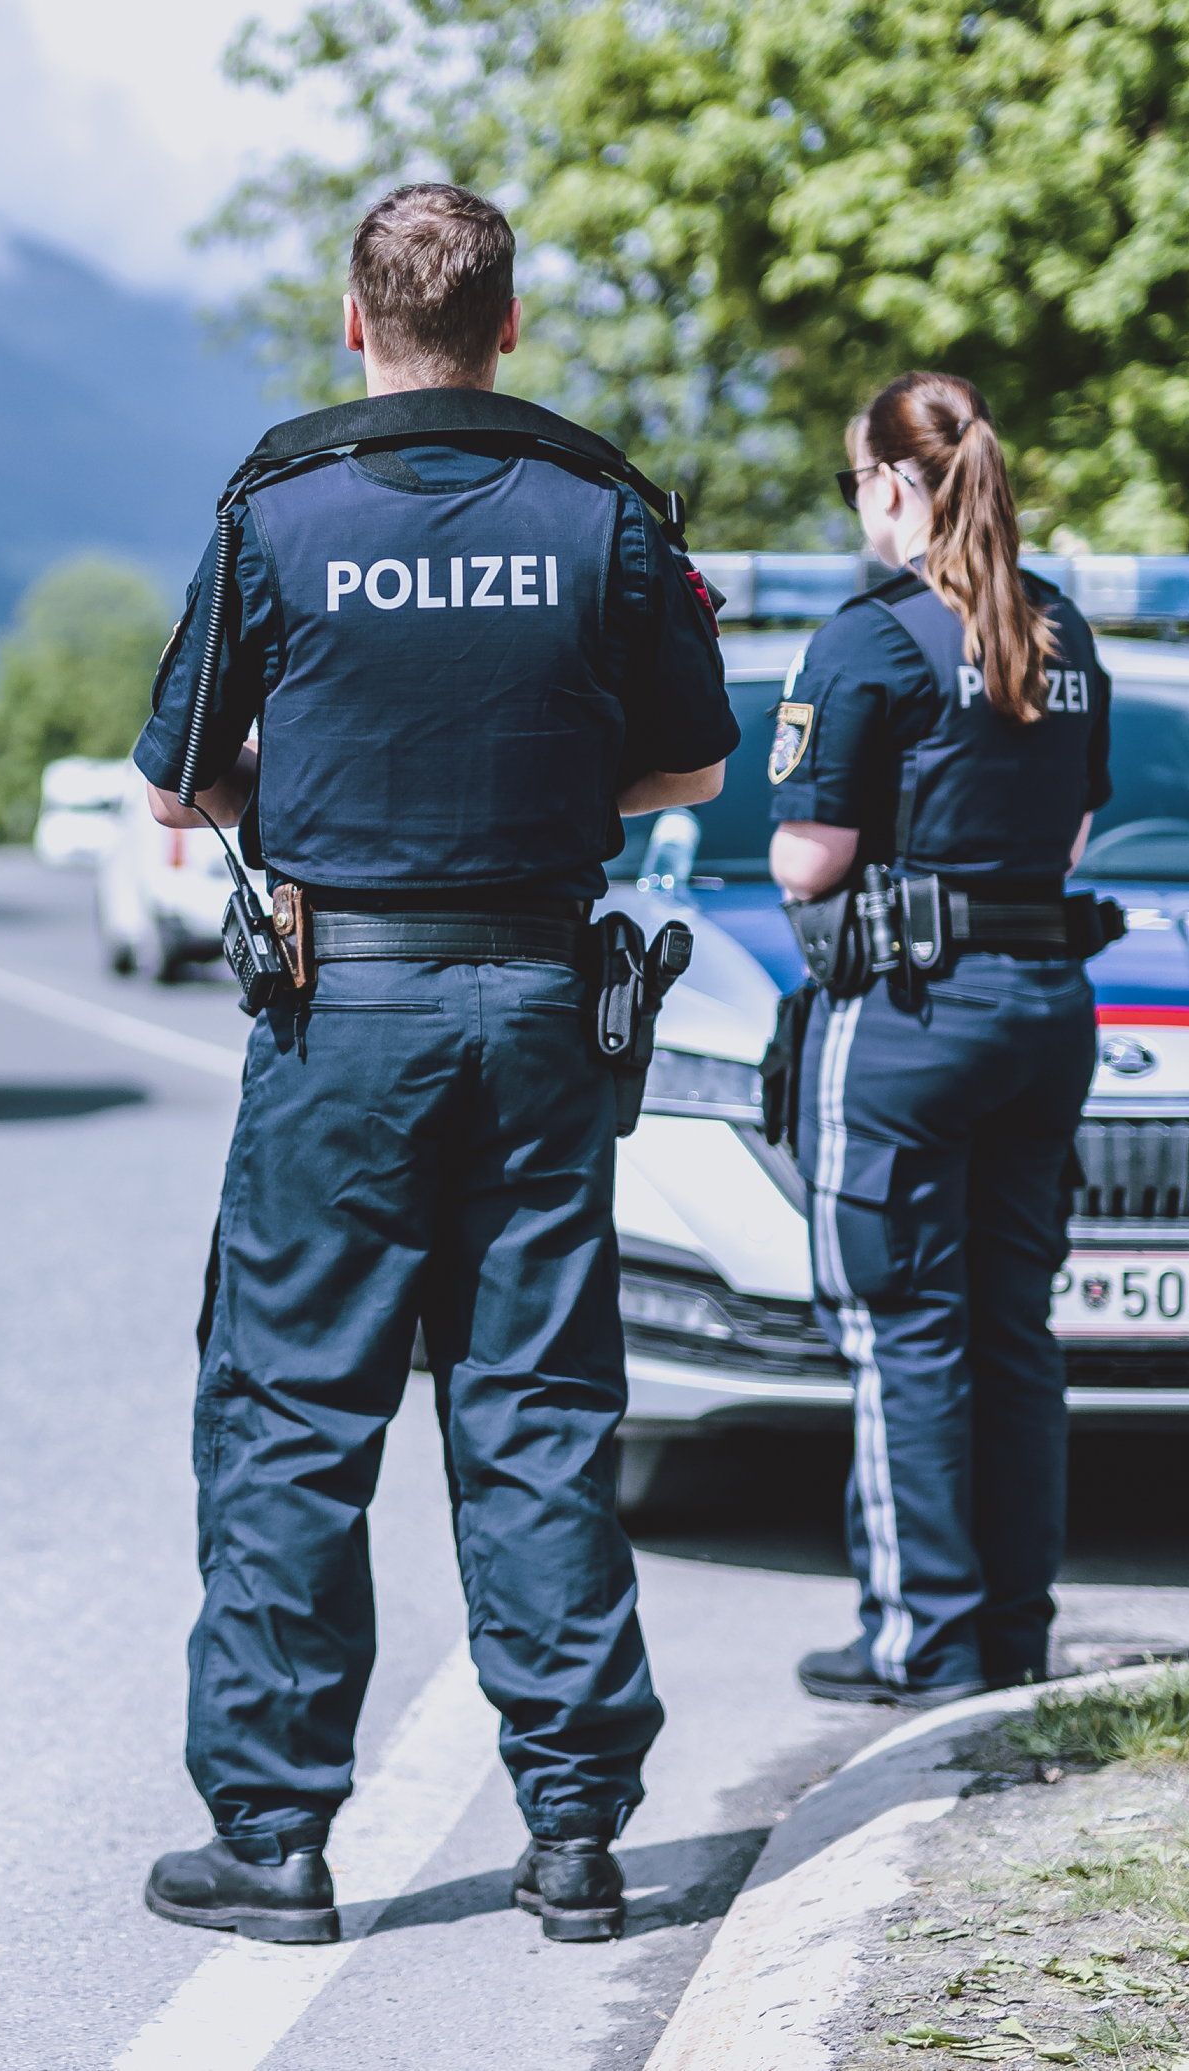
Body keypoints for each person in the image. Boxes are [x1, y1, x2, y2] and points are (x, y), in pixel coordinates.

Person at [129, 184, 741, 1945]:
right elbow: (691, 771)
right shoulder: (600, 508)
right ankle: (572, 1838)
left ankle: (274, 1839)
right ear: (510, 324)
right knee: (538, 1409)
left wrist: (287, 808)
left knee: (294, 1419)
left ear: (354, 318)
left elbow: (177, 783)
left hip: (346, 1020)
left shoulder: (280, 506)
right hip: (544, 1005)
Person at [767, 371, 1111, 1710]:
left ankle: (924, 1641)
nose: (860, 506)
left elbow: (809, 861)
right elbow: (1073, 833)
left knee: (899, 1329)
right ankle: (1012, 1637)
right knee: (1012, 1329)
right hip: (1045, 1008)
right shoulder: (1061, 629)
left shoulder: (873, 636)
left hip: (911, 1017)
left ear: (898, 486)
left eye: (860, 481)